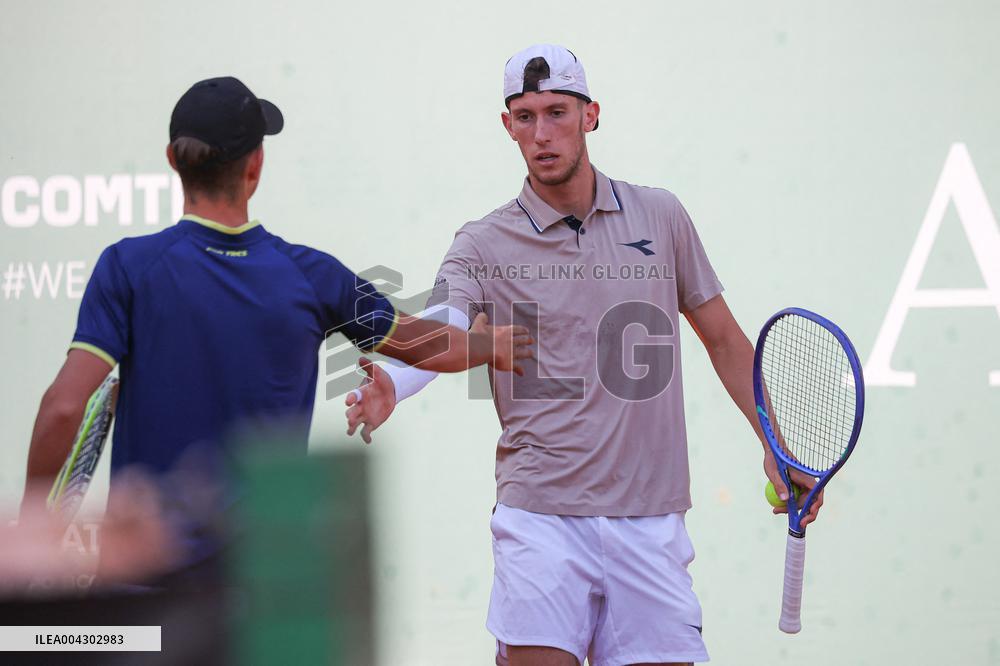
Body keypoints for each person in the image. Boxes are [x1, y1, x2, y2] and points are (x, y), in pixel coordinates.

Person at [345, 45, 823, 666]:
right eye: (524, 116)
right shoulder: (482, 242)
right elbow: (446, 321)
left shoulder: (663, 215)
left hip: (650, 521)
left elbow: (726, 341)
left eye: (557, 113)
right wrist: (395, 378)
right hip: (539, 519)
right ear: (507, 125)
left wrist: (775, 443)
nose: (541, 134)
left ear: (591, 114)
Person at [20, 76, 532, 588]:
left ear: (173, 161)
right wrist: (490, 345)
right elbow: (425, 344)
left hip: (149, 584)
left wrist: (30, 526)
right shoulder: (315, 275)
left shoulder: (127, 267)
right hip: (262, 594)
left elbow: (65, 407)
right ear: (255, 166)